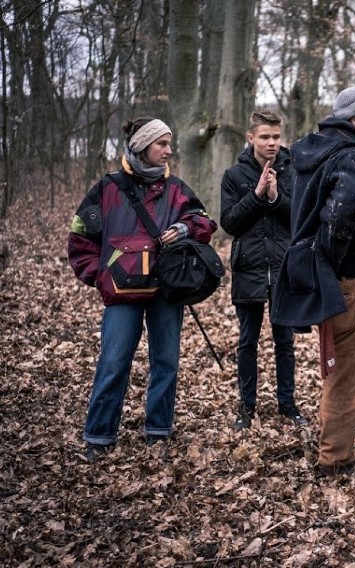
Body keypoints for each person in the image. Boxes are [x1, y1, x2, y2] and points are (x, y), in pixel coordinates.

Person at [68, 117, 217, 462]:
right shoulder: (107, 189)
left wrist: (182, 229)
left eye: (169, 143)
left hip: (166, 292)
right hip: (121, 295)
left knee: (166, 363)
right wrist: (100, 276)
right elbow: (79, 237)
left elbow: (205, 222)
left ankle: (158, 433)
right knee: (114, 362)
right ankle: (99, 436)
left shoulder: (176, 189)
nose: (169, 150)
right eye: (161, 144)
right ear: (141, 147)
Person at [272, 85, 355, 479]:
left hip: (336, 276)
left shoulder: (313, 150)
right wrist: (332, 262)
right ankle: (335, 459)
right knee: (349, 375)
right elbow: (341, 214)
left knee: (340, 371)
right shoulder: (354, 155)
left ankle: (334, 446)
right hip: (353, 281)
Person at [220, 109, 307, 431]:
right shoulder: (234, 176)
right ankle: (247, 407)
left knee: (285, 341)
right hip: (249, 268)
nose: (272, 143)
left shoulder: (294, 171)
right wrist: (256, 196)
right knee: (247, 341)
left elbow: (300, 218)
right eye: (265, 137)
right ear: (251, 138)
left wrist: (275, 197)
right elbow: (229, 223)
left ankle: (288, 405)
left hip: (284, 268)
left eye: (276, 137)